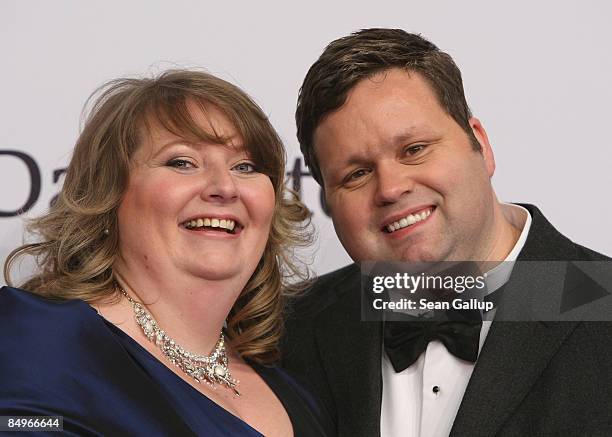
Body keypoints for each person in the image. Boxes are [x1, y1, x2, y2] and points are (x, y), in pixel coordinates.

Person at [281, 28, 612, 437]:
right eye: (357, 173)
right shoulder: (289, 334)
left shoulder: (598, 299)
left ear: (481, 144)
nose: (390, 188)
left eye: (414, 149)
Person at [0, 70, 332, 437]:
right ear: (108, 196)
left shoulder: (299, 389)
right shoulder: (38, 341)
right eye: (182, 162)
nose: (225, 187)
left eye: (245, 167)